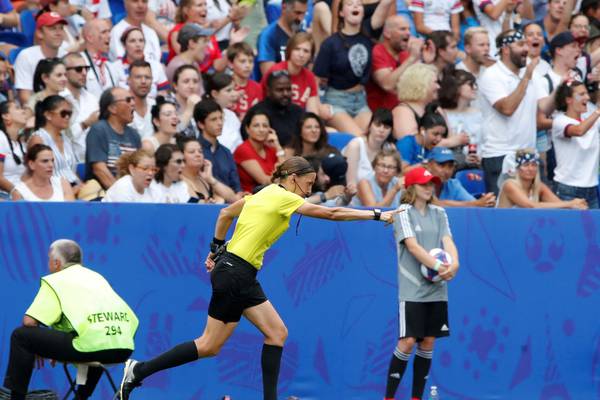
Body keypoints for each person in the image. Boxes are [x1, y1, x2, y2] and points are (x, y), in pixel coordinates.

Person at [118, 156, 399, 400]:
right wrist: (376, 215)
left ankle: (139, 370)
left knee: (266, 335)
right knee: (210, 343)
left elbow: (225, 213)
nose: (310, 189)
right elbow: (332, 212)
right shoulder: (283, 197)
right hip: (236, 273)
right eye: (309, 183)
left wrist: (215, 249)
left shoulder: (263, 194)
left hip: (235, 271)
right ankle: (139, 370)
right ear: (292, 179)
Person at [3, 239, 137, 400]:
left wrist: (40, 346)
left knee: (21, 336)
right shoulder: (96, 277)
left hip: (92, 346)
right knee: (96, 341)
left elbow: (29, 322)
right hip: (124, 347)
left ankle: (16, 398)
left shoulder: (56, 280)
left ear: (56, 263)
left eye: (48, 260)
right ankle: (80, 397)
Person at [384, 166, 459, 400]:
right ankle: (389, 397)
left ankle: (417, 397)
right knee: (407, 342)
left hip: (437, 290)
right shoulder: (403, 212)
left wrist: (454, 264)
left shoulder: (439, 212)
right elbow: (413, 246)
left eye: (431, 184)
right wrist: (438, 267)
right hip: (413, 290)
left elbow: (448, 241)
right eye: (424, 184)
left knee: (428, 342)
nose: (429, 188)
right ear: (411, 187)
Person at [478, 29, 555, 195]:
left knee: (531, 216)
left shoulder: (531, 74)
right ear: (506, 49)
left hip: (528, 155)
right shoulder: (491, 75)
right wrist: (526, 77)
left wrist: (562, 88)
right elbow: (507, 108)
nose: (526, 49)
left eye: (526, 44)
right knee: (502, 215)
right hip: (500, 155)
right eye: (520, 44)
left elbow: (545, 107)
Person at [313, 0, 373, 137]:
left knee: (373, 138)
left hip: (360, 100)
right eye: (350, 4)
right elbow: (315, 78)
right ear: (341, 13)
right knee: (359, 140)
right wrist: (319, 105)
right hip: (337, 100)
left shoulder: (367, 36)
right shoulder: (331, 43)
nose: (355, 6)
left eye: (359, 4)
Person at [551, 80, 600, 208]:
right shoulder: (559, 121)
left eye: (587, 93)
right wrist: (598, 111)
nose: (587, 97)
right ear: (568, 100)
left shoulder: (592, 120)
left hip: (592, 189)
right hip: (567, 189)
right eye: (581, 94)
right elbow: (579, 130)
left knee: (594, 229)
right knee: (566, 229)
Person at [85, 87, 142, 189]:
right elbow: (99, 170)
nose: (133, 103)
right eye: (128, 100)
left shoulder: (134, 135)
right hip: (106, 197)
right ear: (112, 108)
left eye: (133, 99)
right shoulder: (98, 130)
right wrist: (120, 195)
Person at [261, 32, 327, 118]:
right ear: (289, 51)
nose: (301, 54)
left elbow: (313, 111)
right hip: (276, 118)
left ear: (310, 56)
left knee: (332, 131)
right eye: (297, 49)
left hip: (300, 120)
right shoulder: (276, 72)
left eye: (306, 51)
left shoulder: (309, 76)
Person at [496, 148, 588, 208]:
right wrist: (570, 203)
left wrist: (577, 205)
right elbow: (530, 206)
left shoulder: (539, 186)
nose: (530, 169)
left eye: (534, 165)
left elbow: (560, 205)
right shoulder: (509, 184)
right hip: (504, 227)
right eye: (526, 165)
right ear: (517, 168)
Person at [366, 15, 422, 113]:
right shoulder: (377, 52)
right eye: (402, 29)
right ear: (387, 33)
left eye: (409, 29)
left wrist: (425, 59)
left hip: (402, 111)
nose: (408, 33)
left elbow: (418, 86)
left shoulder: (405, 54)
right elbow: (387, 85)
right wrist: (411, 58)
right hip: (381, 116)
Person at [14, 12, 67, 105]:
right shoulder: (26, 56)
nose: (58, 33)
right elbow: (25, 97)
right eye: (53, 29)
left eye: (61, 28)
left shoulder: (67, 55)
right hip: (38, 113)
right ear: (39, 33)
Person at [28, 95, 80, 187]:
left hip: (73, 187)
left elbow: (70, 171)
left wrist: (82, 186)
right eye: (63, 113)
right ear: (48, 115)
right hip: (54, 191)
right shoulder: (39, 139)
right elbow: (39, 175)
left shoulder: (66, 139)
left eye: (69, 113)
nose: (67, 117)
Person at [195, 99, 243, 195]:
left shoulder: (226, 152)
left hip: (230, 204)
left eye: (221, 118)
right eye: (214, 119)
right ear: (200, 124)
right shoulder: (194, 151)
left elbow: (236, 187)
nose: (220, 123)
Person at [245, 71, 304, 148]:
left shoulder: (298, 111)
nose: (285, 93)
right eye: (280, 90)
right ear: (268, 91)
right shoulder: (256, 113)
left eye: (288, 89)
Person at [439, 69, 482, 170]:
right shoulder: (442, 113)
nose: (475, 88)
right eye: (470, 84)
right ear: (456, 87)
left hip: (477, 168)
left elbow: (484, 142)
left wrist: (480, 157)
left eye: (475, 84)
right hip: (450, 167)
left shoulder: (479, 114)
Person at [425, 147, 496, 206]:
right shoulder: (420, 182)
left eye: (450, 166)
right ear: (429, 165)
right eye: (441, 165)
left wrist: (486, 202)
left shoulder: (453, 184)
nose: (446, 171)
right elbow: (435, 204)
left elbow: (472, 202)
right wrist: (477, 203)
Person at [343, 108, 398, 185]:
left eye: (386, 127)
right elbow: (350, 184)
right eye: (377, 125)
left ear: (391, 131)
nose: (381, 130)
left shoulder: (390, 149)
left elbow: (393, 181)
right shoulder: (355, 146)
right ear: (370, 126)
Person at [112, 28, 169, 101]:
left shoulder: (156, 66)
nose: (138, 45)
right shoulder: (114, 68)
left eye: (141, 41)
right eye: (132, 41)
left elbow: (164, 91)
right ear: (124, 45)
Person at [234, 109, 285, 192]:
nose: (261, 129)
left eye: (265, 126)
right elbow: (264, 181)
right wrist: (279, 175)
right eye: (256, 126)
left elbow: (286, 174)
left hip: (272, 195)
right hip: (251, 198)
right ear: (247, 129)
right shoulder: (243, 149)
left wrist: (278, 146)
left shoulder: (272, 149)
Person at [62, 52, 100, 160]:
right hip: (67, 162)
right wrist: (85, 124)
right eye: (78, 69)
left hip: (92, 160)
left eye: (86, 68)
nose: (84, 73)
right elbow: (61, 137)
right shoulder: (59, 99)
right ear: (65, 72)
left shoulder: (92, 99)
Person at [256, 0, 308, 77]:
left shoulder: (302, 34)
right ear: (284, 7)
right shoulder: (268, 35)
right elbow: (269, 75)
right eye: (297, 13)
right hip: (279, 86)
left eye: (303, 14)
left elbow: (310, 68)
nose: (300, 19)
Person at [180, 136, 237, 203]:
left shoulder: (205, 180)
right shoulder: (178, 180)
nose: (198, 154)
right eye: (192, 152)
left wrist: (210, 179)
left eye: (200, 151)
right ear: (180, 156)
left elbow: (233, 199)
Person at [392, 63, 440, 139]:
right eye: (435, 82)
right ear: (421, 84)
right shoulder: (403, 112)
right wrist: (450, 142)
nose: (438, 86)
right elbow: (410, 145)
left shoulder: (434, 109)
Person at [203, 72, 243, 152]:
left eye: (234, 89)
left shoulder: (232, 116)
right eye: (228, 90)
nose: (234, 94)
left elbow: (240, 145)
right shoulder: (202, 116)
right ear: (214, 94)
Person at [81, 19, 119, 98]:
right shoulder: (79, 63)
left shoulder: (110, 66)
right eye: (104, 32)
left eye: (109, 32)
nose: (109, 36)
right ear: (90, 38)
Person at [227, 42, 263, 120]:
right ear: (230, 64)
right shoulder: (225, 86)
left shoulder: (257, 87)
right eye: (242, 61)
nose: (247, 66)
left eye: (250, 61)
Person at [125, 60, 159, 139]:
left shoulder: (155, 106)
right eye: (138, 77)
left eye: (147, 77)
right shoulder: (121, 108)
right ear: (128, 80)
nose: (143, 81)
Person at [0, 102, 27, 199]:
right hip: (4, 196)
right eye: (17, 108)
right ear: (6, 116)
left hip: (19, 195)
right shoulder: (1, 138)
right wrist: (14, 191)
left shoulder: (21, 144)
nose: (23, 111)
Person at [167, 64, 203, 138]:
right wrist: (189, 110)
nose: (191, 86)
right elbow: (173, 133)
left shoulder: (201, 104)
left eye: (195, 81)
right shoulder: (166, 103)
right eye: (186, 81)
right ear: (175, 86)